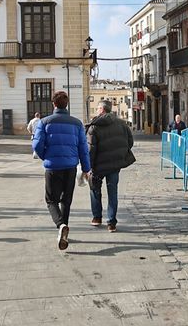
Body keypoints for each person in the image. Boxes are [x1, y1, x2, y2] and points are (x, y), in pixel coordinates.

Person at [31, 90, 90, 251]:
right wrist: (86, 168)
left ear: (54, 104)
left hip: (53, 167)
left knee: (51, 200)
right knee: (66, 200)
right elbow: (83, 148)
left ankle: (61, 225)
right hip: (70, 167)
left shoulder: (45, 122)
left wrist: (46, 156)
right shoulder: (77, 123)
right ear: (67, 104)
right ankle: (64, 232)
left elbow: (37, 144)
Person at [86, 100, 135, 231]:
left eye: (97, 108)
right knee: (113, 192)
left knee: (94, 189)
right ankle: (111, 222)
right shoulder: (122, 124)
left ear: (102, 109)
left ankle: (97, 217)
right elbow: (130, 142)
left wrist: (88, 167)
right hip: (115, 164)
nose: (97, 111)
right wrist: (120, 154)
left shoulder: (94, 126)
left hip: (98, 165)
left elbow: (90, 149)